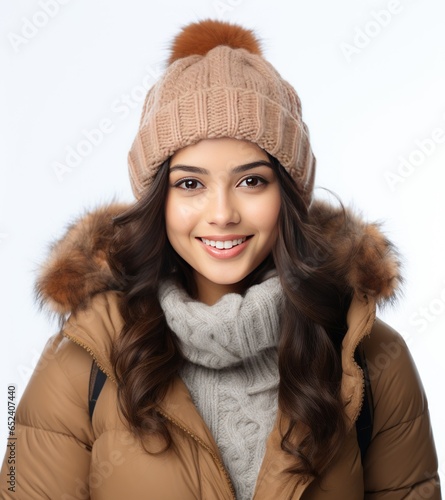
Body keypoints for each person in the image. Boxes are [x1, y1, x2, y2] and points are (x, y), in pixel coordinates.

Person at [0, 19, 440, 500]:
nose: (223, 214)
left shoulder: (370, 359)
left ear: (288, 195)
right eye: (190, 184)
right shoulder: (84, 359)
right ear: (157, 201)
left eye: (251, 181)